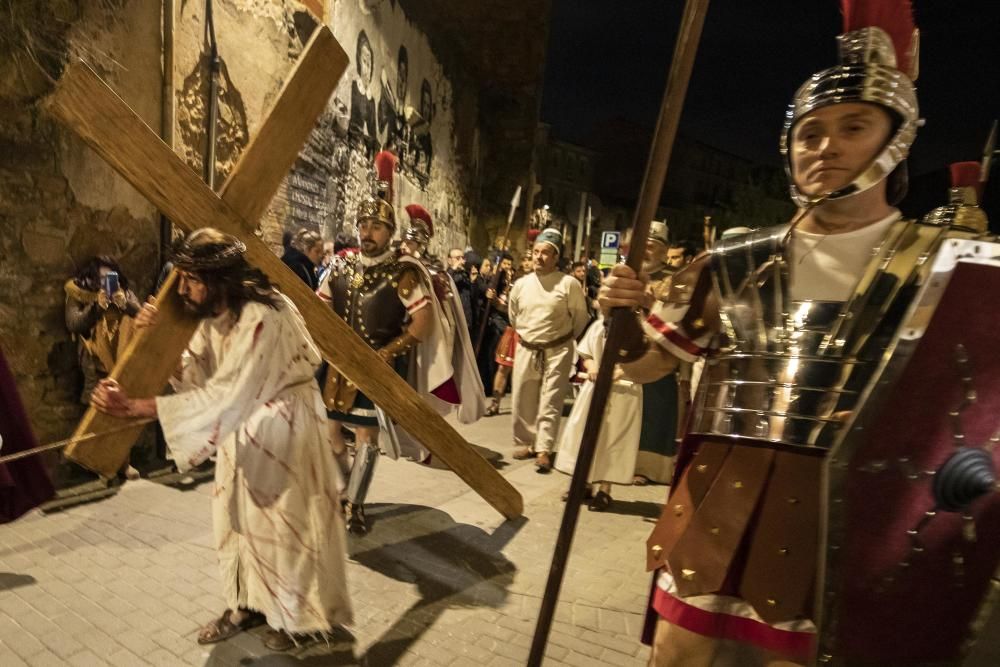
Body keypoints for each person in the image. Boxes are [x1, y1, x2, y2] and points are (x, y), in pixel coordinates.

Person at [601, 10, 925, 665]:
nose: (824, 147)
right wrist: (623, 317)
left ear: (898, 141)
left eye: (852, 127)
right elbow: (647, 368)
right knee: (675, 653)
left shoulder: (938, 267)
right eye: (809, 133)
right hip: (721, 493)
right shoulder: (736, 259)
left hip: (846, 514)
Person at [91, 228, 352, 651]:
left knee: (285, 527)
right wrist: (158, 339)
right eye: (183, 277)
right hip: (242, 427)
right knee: (233, 522)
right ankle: (244, 604)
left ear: (219, 277)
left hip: (285, 429)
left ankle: (296, 618)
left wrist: (138, 408)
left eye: (192, 278)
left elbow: (226, 394)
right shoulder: (210, 314)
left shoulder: (264, 315)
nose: (184, 288)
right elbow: (197, 378)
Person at [317, 195, 434, 535]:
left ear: (391, 232)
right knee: (331, 434)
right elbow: (318, 307)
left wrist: (387, 353)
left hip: (376, 369)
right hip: (337, 367)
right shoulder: (339, 268)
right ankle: (342, 491)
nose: (367, 233)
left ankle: (356, 504)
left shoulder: (404, 273)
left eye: (377, 227)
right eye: (364, 226)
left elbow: (421, 322)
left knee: (367, 439)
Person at [508, 228, 589, 472]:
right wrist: (530, 337)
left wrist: (562, 340)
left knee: (551, 399)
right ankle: (528, 442)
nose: (539, 257)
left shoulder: (568, 284)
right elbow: (514, 317)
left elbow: (580, 318)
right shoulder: (521, 284)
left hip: (558, 349)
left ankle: (544, 448)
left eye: (545, 253)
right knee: (523, 397)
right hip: (527, 348)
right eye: (536, 252)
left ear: (555, 257)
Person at [555, 312, 642, 511]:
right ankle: (582, 484)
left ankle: (605, 490)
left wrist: (618, 373)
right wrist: (593, 366)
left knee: (612, 440)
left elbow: (642, 361)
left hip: (623, 392)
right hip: (594, 389)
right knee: (582, 435)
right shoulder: (599, 325)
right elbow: (586, 353)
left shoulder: (637, 329)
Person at [65, 256, 142, 480]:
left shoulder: (124, 292)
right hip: (95, 360)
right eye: (100, 278)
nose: (105, 282)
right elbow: (74, 323)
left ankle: (125, 463)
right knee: (96, 414)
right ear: (89, 278)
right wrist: (97, 307)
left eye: (110, 277)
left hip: (122, 357)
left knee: (122, 414)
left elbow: (141, 316)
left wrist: (123, 303)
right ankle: (102, 466)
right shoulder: (77, 293)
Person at [634, 221, 680, 486]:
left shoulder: (676, 279)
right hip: (629, 348)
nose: (646, 253)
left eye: (651, 247)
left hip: (659, 350)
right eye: (643, 247)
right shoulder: (631, 273)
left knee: (654, 410)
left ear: (664, 251)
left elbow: (679, 317)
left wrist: (651, 304)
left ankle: (648, 468)